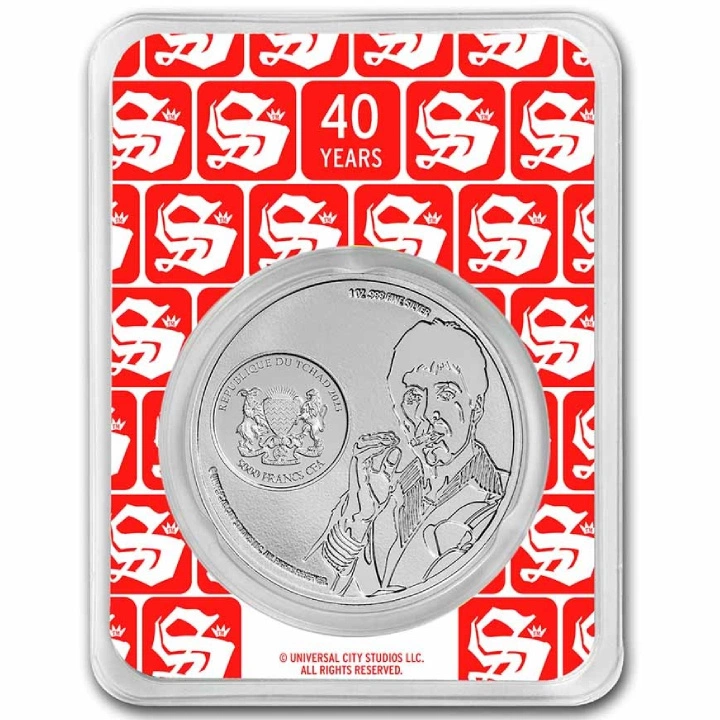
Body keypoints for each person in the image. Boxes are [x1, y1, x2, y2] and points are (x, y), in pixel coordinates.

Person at [306, 318, 508, 595]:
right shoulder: (372, 496)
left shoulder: (505, 498)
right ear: (398, 414)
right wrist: (358, 518)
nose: (425, 413)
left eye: (446, 393)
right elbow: (319, 595)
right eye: (413, 397)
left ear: (477, 406)